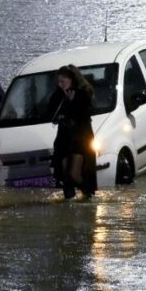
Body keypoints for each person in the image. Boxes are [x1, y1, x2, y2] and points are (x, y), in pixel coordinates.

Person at [47, 64, 97, 200]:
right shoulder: (59, 94)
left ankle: (88, 194)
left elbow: (86, 113)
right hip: (64, 138)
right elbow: (50, 111)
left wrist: (72, 101)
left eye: (63, 81)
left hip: (80, 139)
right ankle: (69, 200)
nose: (60, 84)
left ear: (71, 79)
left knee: (74, 173)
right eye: (59, 82)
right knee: (64, 173)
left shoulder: (83, 92)